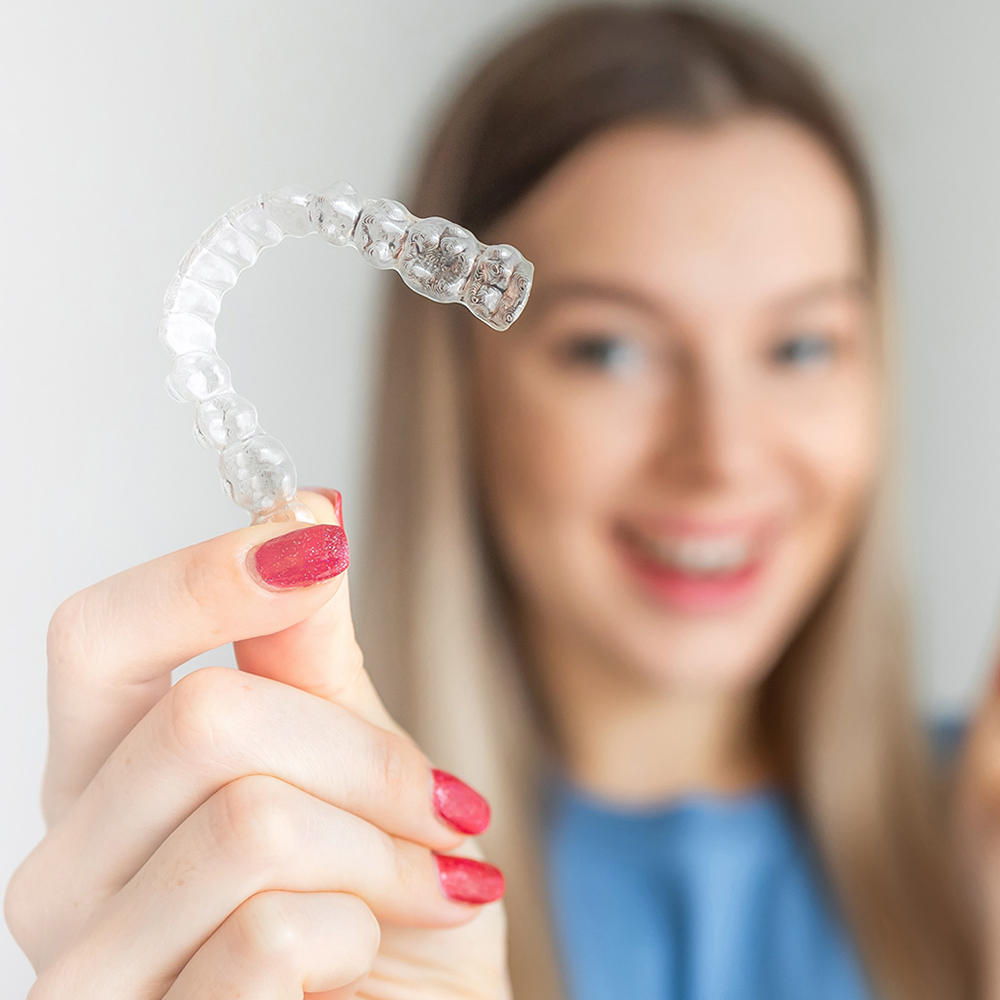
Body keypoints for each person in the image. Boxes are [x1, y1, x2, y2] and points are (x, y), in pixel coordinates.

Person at [5, 4, 998, 998]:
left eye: (801, 345)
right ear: (458, 388)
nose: (723, 457)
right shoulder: (306, 901)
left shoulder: (985, 844)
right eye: (609, 349)